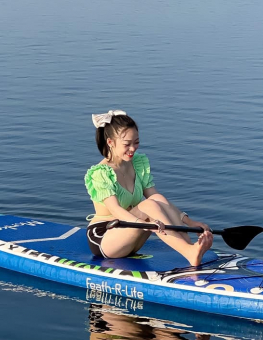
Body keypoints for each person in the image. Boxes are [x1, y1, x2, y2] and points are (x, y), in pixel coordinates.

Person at [84, 110, 213, 265]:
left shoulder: (138, 163)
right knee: (148, 204)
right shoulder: (101, 173)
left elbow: (158, 200)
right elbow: (115, 210)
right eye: (127, 144)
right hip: (105, 237)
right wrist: (142, 223)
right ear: (110, 142)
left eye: (136, 142)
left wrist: (189, 221)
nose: (133, 149)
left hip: (131, 232)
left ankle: (190, 248)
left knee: (156, 199)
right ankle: (189, 252)